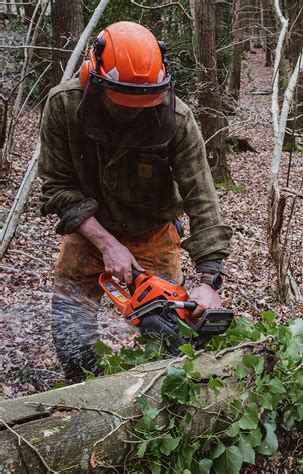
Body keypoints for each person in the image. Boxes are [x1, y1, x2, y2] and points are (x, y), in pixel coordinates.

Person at [38, 21, 232, 383]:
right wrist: (106, 243)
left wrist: (209, 279)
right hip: (88, 228)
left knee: (170, 336)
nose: (133, 112)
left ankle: (157, 399)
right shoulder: (64, 108)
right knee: (69, 319)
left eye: (143, 104)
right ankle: (84, 389)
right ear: (95, 80)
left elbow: (202, 198)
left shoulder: (177, 119)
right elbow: (57, 188)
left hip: (154, 231)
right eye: (124, 103)